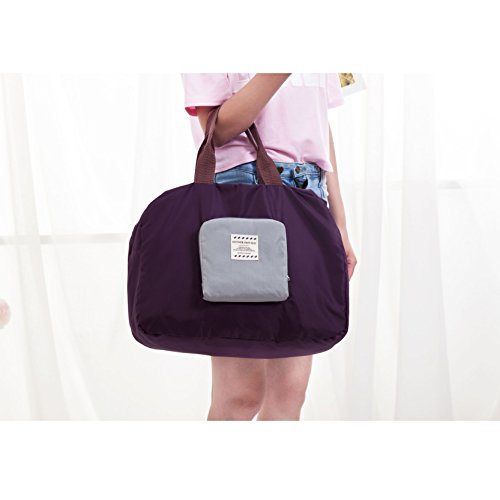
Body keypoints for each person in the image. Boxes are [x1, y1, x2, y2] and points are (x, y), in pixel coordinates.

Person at [181, 73, 357, 421]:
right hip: (244, 198)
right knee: (240, 395)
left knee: (290, 393)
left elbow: (321, 126)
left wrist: (339, 222)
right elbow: (217, 130)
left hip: (309, 196)